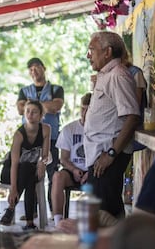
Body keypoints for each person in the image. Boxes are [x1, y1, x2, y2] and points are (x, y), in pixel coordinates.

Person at [84, 31, 140, 218]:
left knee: (104, 216)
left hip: (107, 155)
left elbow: (132, 116)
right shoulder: (105, 75)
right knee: (107, 213)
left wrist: (111, 154)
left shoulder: (118, 75)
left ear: (107, 52)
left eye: (92, 50)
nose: (88, 55)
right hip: (99, 155)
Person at [17, 57, 64, 213]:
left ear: (44, 68)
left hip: (52, 139)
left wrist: (31, 106)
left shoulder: (56, 89)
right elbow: (19, 109)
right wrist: (45, 105)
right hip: (29, 141)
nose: (34, 71)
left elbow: (55, 107)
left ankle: (53, 211)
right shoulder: (24, 90)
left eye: (36, 67)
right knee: (30, 175)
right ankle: (33, 211)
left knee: (52, 174)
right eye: (30, 69)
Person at [0, 100, 50, 230]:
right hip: (10, 171)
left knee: (29, 171)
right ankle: (28, 221)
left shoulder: (45, 129)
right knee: (28, 171)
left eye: (34, 112)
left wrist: (42, 163)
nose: (30, 114)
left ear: (40, 115)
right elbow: (15, 164)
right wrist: (13, 189)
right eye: (28, 111)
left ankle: (12, 212)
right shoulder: (19, 135)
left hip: (29, 171)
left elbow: (45, 156)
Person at [51, 93, 91, 227]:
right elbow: (63, 159)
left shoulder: (100, 130)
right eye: (82, 109)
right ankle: (58, 222)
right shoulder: (69, 129)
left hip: (93, 171)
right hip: (73, 170)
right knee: (57, 177)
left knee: (104, 180)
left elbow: (102, 156)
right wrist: (74, 170)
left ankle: (95, 223)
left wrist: (89, 172)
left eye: (88, 109)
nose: (85, 113)